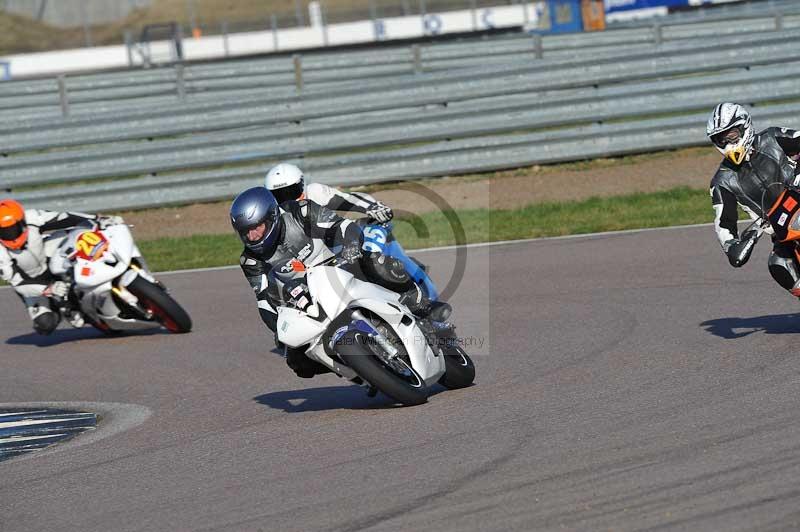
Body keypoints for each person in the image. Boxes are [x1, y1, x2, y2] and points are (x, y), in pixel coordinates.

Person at [230, 187, 449, 378]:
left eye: (256, 227)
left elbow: (341, 226)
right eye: (246, 232)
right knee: (297, 361)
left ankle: (420, 304)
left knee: (373, 261)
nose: (252, 236)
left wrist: (350, 247)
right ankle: (360, 371)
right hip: (305, 294)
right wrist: (279, 328)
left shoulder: (300, 211)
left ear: (271, 216)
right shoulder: (250, 260)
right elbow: (264, 300)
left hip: (340, 263)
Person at [706, 102, 800, 295]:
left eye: (731, 135)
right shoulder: (722, 181)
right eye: (721, 139)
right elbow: (724, 222)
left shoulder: (773, 138)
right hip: (782, 230)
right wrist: (731, 245)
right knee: (779, 264)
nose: (728, 143)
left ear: (744, 126)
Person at [0, 199, 123, 335]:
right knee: (45, 325)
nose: (9, 234)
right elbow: (18, 284)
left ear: (22, 221)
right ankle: (66, 309)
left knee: (81, 232)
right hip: (32, 283)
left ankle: (109, 259)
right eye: (3, 231)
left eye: (12, 229)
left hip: (47, 255)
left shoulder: (32, 217)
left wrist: (97, 219)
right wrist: (48, 289)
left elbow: (64, 217)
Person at [264, 162, 394, 222]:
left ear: (302, 184)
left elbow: (346, 199)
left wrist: (372, 207)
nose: (287, 199)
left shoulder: (314, 192)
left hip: (336, 245)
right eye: (280, 195)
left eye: (290, 192)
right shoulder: (271, 214)